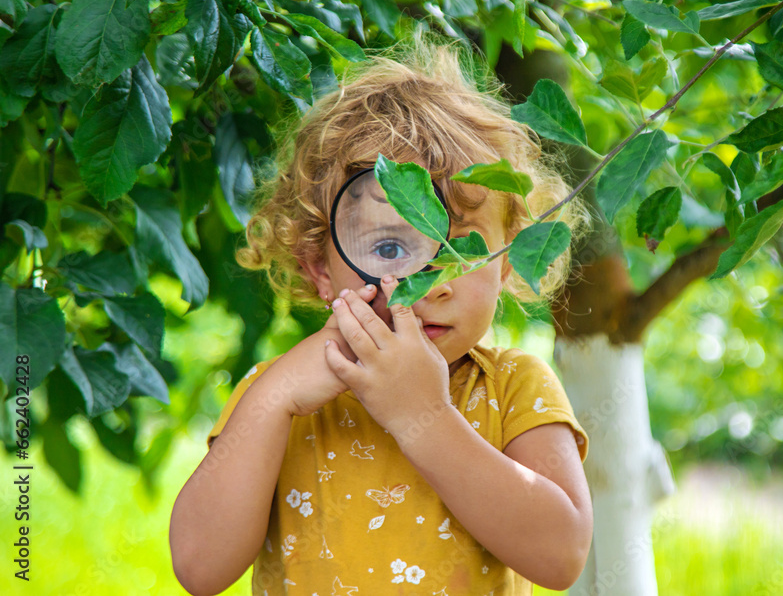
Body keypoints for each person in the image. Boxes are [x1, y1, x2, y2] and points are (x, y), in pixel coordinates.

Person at [169, 31, 594, 596]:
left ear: (510, 258)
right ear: (322, 268)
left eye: (463, 249)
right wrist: (272, 398)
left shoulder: (514, 387)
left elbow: (560, 555)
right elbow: (200, 569)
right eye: (391, 249)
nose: (434, 284)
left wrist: (425, 416)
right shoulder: (278, 395)